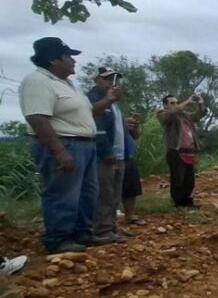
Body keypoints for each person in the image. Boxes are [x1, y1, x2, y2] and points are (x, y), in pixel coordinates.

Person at [20, 38, 117, 254]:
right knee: (63, 194)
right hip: (64, 143)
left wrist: (108, 101)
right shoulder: (38, 81)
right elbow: (37, 118)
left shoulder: (68, 84)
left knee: (87, 193)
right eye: (68, 56)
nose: (73, 61)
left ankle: (83, 233)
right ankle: (59, 239)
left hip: (85, 144)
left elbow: (89, 112)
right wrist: (60, 151)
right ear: (53, 59)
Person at [86, 67, 130, 243]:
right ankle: (102, 230)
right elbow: (98, 128)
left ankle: (111, 226)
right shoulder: (94, 99)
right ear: (97, 80)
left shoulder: (113, 102)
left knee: (114, 194)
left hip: (119, 155)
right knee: (104, 193)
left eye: (115, 79)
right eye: (108, 79)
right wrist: (106, 151)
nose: (113, 82)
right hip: (105, 155)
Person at [156, 93, 204, 208]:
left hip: (189, 152)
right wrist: (187, 101)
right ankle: (178, 204)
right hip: (175, 152)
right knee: (178, 180)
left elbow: (198, 115)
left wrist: (200, 103)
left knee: (189, 180)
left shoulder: (184, 116)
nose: (175, 105)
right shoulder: (162, 114)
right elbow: (171, 113)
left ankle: (188, 202)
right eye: (172, 103)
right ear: (165, 105)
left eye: (177, 102)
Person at [121, 112, 145, 226]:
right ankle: (106, 222)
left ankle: (129, 215)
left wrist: (135, 126)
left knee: (131, 187)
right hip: (115, 156)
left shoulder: (119, 114)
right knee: (112, 189)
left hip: (128, 155)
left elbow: (135, 136)